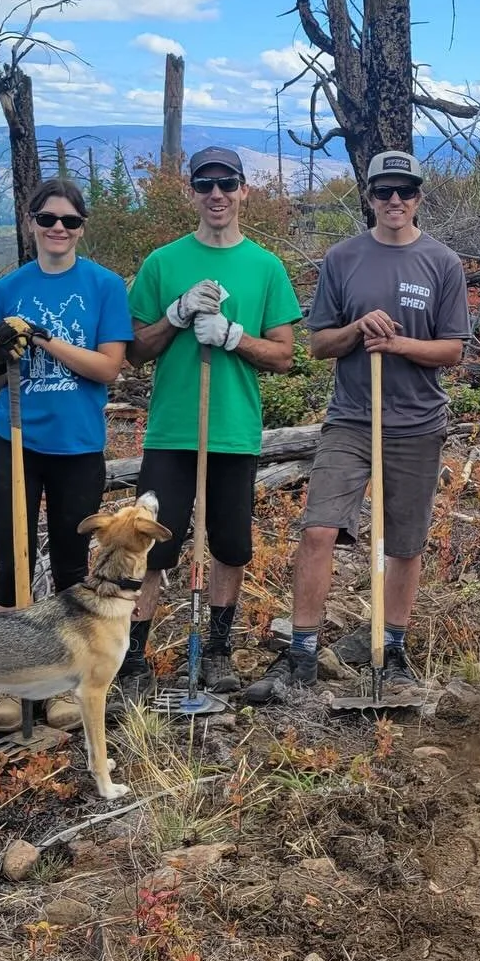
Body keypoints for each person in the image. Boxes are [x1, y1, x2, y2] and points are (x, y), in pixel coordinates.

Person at [246, 150, 470, 704]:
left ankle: (392, 650)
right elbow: (319, 344)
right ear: (368, 197)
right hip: (350, 418)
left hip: (417, 423)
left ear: (419, 196)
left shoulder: (442, 262)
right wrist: (356, 330)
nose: (395, 201)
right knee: (320, 528)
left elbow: (453, 350)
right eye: (384, 192)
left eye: (406, 191)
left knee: (405, 542)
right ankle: (301, 650)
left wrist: (395, 343)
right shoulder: (343, 259)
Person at [120, 147, 301, 693]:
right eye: (206, 185)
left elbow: (286, 354)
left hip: (233, 428)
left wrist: (231, 337)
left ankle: (218, 649)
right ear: (192, 192)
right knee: (152, 543)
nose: (216, 194)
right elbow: (134, 349)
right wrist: (175, 316)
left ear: (244, 190)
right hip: (174, 428)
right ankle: (132, 656)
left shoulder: (265, 266)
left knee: (229, 544)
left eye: (227, 184)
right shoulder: (162, 263)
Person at [0, 178, 133, 733]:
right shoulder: (7, 288)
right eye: (48, 220)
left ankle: (65, 684)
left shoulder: (105, 286)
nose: (58, 229)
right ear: (31, 224)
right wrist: (2, 355)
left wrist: (41, 338)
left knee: (71, 564)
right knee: (11, 560)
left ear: (81, 227)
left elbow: (108, 367)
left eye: (68, 220)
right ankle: (10, 685)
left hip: (78, 446)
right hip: (15, 441)